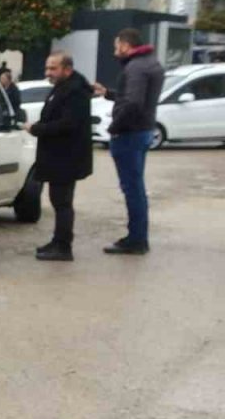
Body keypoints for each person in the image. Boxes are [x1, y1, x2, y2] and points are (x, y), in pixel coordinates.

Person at [95, 28, 166, 255]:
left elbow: (133, 103)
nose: (116, 52)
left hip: (129, 134)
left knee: (132, 189)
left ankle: (136, 240)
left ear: (126, 45)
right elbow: (135, 98)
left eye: (117, 47)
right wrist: (109, 93)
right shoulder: (150, 63)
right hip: (142, 131)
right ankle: (137, 236)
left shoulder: (135, 67)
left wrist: (114, 128)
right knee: (136, 187)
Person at [25, 52, 93, 262]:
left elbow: (68, 124)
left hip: (66, 158)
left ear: (67, 69)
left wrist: (37, 128)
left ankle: (63, 246)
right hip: (58, 157)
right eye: (47, 68)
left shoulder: (75, 91)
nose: (48, 73)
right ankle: (58, 241)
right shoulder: (63, 87)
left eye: (53, 69)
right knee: (58, 202)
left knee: (62, 203)